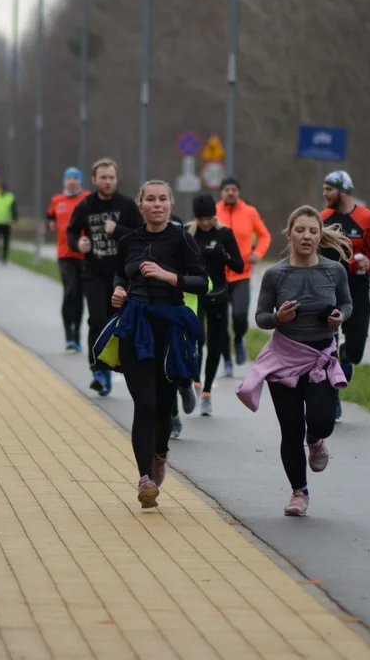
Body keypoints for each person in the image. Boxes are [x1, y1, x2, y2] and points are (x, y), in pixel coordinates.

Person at [96, 180, 206, 508]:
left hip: (170, 331)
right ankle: (145, 479)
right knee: (143, 404)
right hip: (135, 328)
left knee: (161, 407)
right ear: (141, 205)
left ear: (171, 205)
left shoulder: (182, 239)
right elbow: (120, 275)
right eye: (150, 199)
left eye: (163, 199)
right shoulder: (129, 240)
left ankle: (160, 454)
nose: (157, 204)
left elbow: (203, 282)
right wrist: (118, 291)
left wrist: (169, 276)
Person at [236, 206, 352, 517]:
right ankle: (299, 492)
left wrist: (339, 318)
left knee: (322, 421)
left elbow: (346, 302)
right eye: (300, 230)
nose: (307, 236)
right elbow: (260, 318)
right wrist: (278, 317)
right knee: (290, 429)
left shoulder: (334, 271)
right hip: (284, 359)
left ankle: (315, 440)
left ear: (319, 235)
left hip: (320, 359)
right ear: (289, 234)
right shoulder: (276, 274)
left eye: (313, 231)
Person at [66, 158, 144, 396]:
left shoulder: (127, 206)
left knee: (115, 323)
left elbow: (141, 235)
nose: (107, 181)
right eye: (103, 177)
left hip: (121, 275)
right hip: (94, 273)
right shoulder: (86, 205)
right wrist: (77, 243)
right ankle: (98, 371)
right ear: (94, 180)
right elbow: (71, 230)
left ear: (116, 179)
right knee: (97, 321)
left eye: (111, 177)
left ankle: (112, 366)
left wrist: (118, 230)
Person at [320, 170, 370, 420]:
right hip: (328, 291)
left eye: (329, 189)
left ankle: (346, 357)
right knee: (326, 348)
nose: (324, 193)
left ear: (343, 191)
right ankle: (333, 398)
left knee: (355, 353)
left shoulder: (369, 218)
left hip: (358, 291)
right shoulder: (322, 219)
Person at [187, 193, 244, 417]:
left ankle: (207, 393)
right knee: (197, 338)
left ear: (215, 215)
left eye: (209, 218)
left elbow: (239, 266)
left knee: (215, 344)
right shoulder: (188, 233)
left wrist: (224, 256)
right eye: (201, 219)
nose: (206, 223)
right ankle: (196, 381)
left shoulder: (224, 234)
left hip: (219, 294)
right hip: (196, 294)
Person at [216, 177, 272, 375]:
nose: (230, 193)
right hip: (219, 275)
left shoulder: (250, 212)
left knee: (240, 316)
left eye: (234, 189)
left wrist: (259, 253)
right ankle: (227, 360)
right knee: (220, 322)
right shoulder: (214, 212)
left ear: (238, 192)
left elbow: (265, 235)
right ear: (221, 193)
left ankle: (239, 339)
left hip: (242, 273)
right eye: (227, 189)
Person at [47, 167, 91, 352]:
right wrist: (50, 224)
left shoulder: (87, 198)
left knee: (79, 295)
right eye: (69, 178)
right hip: (64, 254)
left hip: (84, 254)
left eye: (75, 178)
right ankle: (68, 335)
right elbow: (50, 216)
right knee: (70, 290)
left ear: (80, 181)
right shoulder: (57, 200)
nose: (72, 181)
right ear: (64, 181)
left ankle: (76, 336)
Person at [0, 179, 17, 265]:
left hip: (6, 223)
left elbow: (14, 211)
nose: (1, 190)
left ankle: (4, 258)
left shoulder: (10, 197)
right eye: (0, 189)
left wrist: (13, 221)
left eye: (2, 189)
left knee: (6, 241)